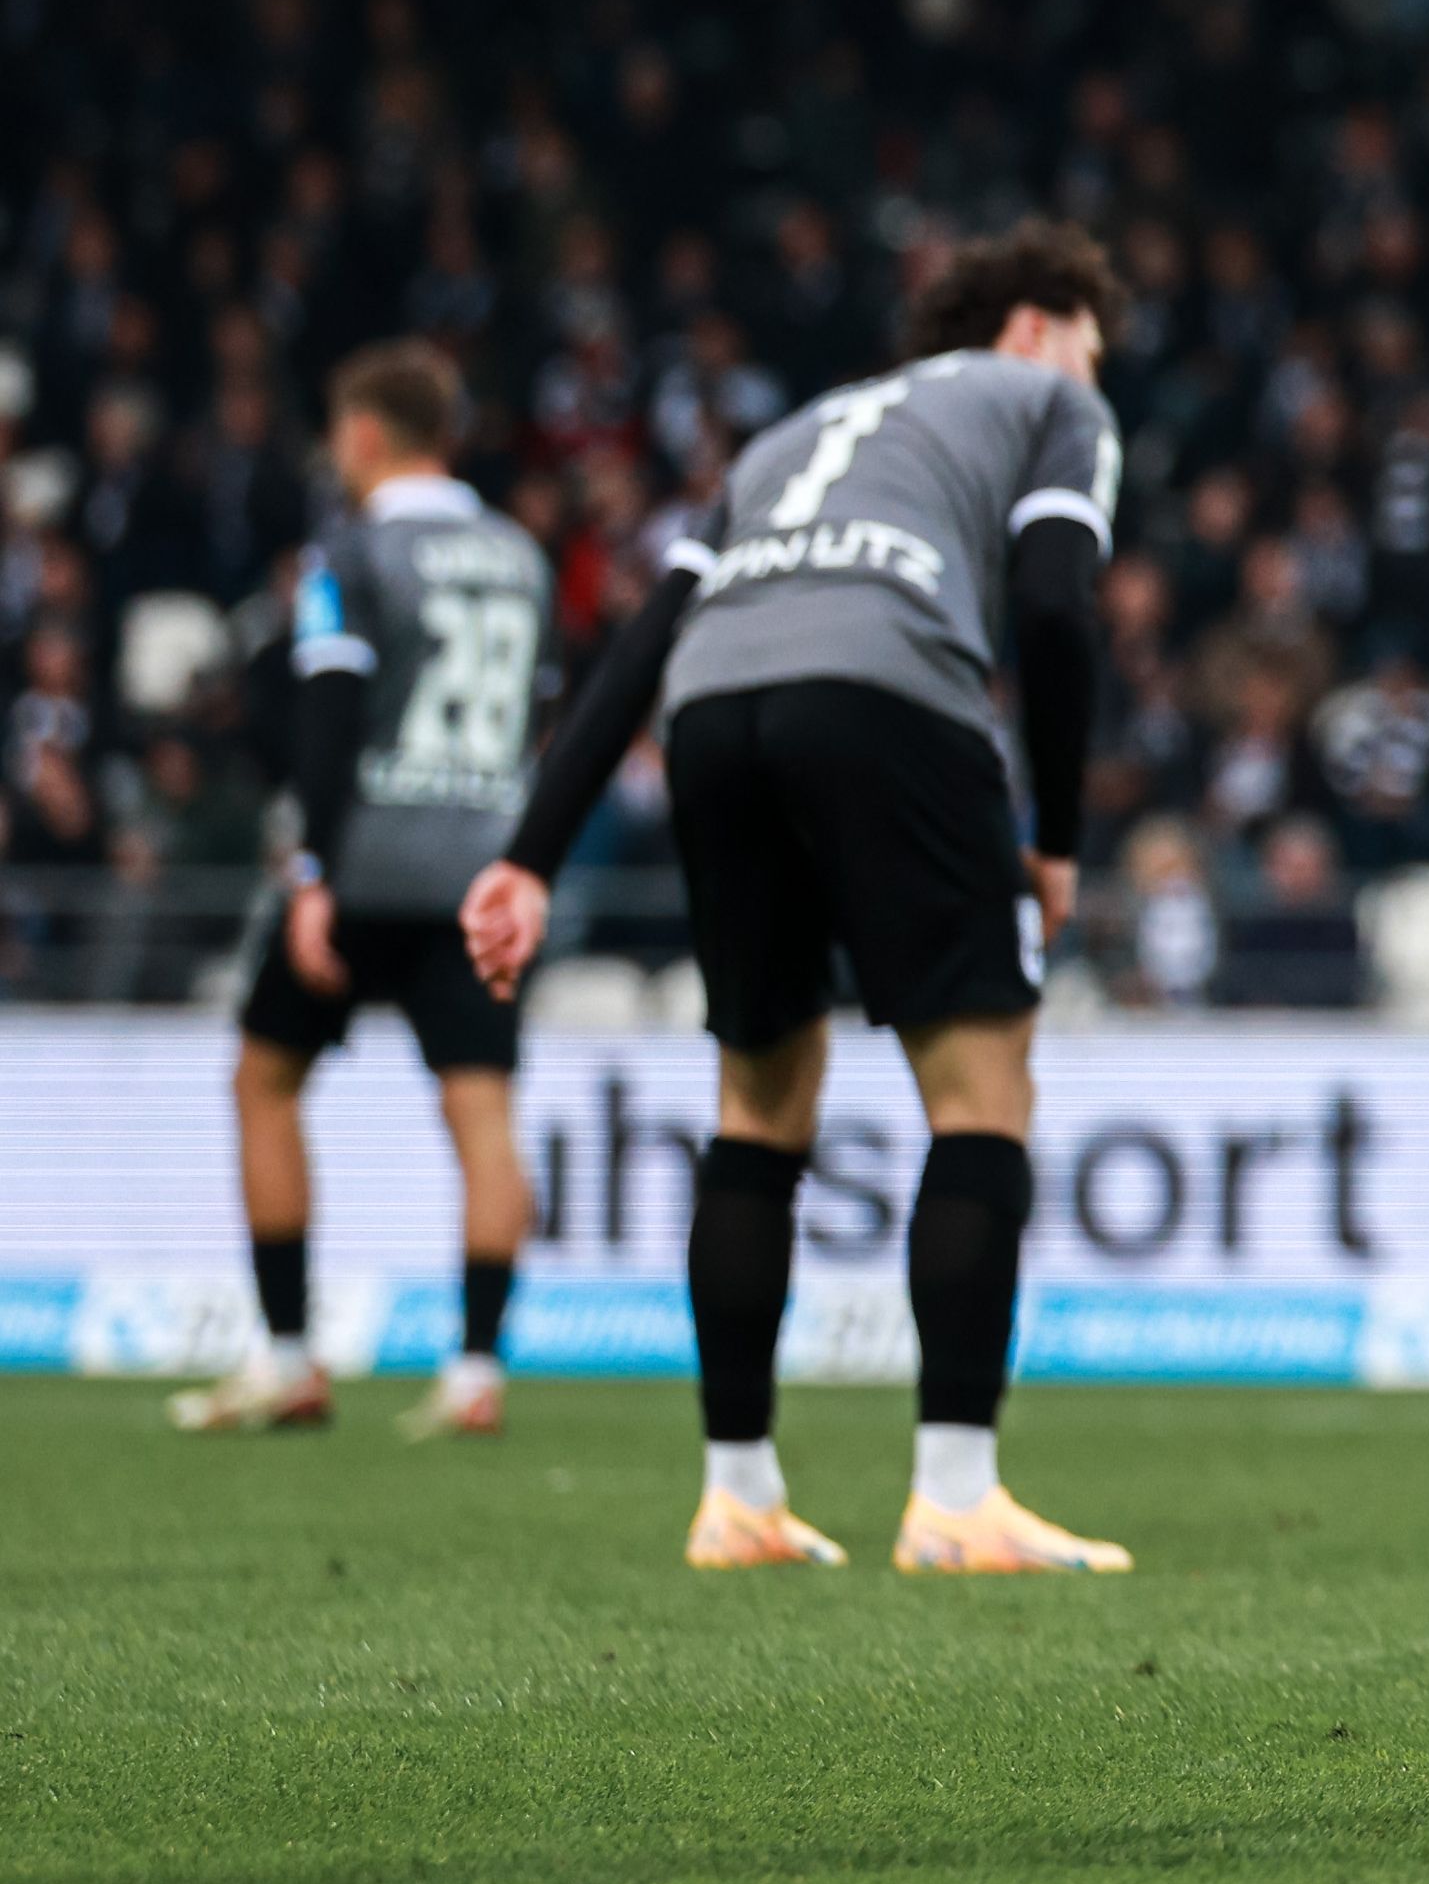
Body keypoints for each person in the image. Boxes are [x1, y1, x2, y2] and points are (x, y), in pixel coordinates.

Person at [463, 221, 1128, 1577]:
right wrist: (1054, 834)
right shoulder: (1049, 402)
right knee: (981, 1089)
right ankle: (954, 1497)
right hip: (889, 693)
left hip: (715, 713)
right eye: (1092, 346)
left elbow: (645, 642)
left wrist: (529, 852)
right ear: (1036, 326)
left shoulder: (787, 439)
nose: (1095, 374)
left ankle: (738, 1495)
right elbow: (1059, 610)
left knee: (757, 1104)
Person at [170, 342, 548, 1442]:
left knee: (264, 1078)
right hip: (481, 859)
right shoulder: (519, 554)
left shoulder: (349, 549)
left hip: (369, 857)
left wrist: (312, 870)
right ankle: (476, 1371)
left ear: (367, 435)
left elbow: (330, 714)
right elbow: (537, 710)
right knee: (481, 1110)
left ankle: (289, 1356)